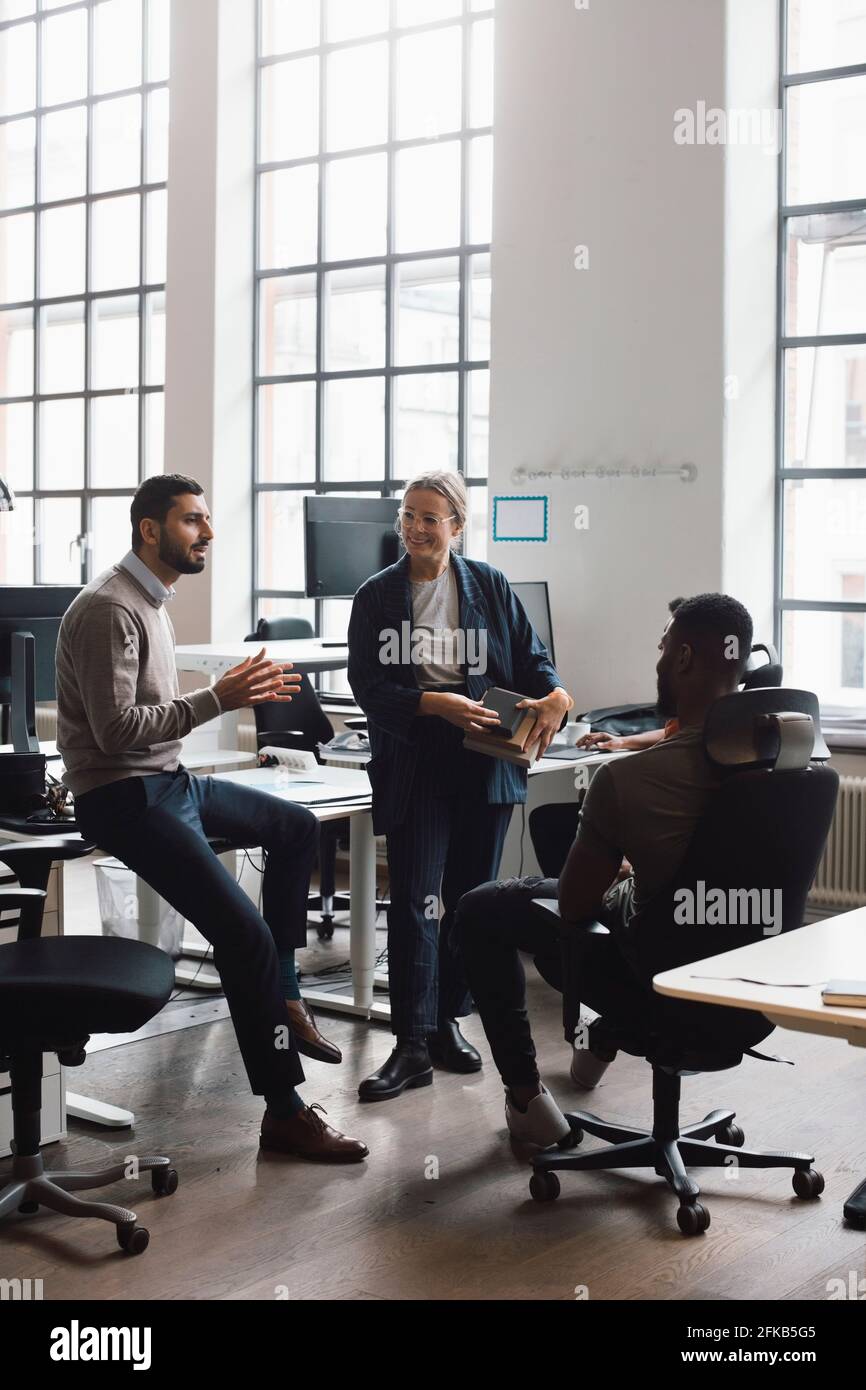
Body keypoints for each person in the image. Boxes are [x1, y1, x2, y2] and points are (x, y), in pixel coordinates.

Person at [56, 474, 367, 1163]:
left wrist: (217, 702)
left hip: (169, 782)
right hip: (125, 795)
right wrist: (218, 700)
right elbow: (114, 735)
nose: (209, 533)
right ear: (150, 529)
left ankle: (285, 995)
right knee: (244, 936)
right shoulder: (112, 607)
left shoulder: (150, 601)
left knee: (295, 827)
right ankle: (284, 1112)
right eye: (194, 520)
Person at [455, 593, 754, 1149]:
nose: (659, 659)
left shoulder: (627, 782)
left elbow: (572, 906)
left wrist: (617, 871)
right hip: (749, 997)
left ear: (685, 658)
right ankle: (601, 1035)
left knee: (482, 910)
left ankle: (528, 1101)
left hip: (662, 987)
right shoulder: (792, 765)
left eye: (664, 647)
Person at [347, 470, 573, 1101]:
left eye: (431, 518)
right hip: (419, 757)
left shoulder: (489, 586)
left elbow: (533, 657)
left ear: (457, 525)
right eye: (409, 516)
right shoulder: (377, 596)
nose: (417, 528)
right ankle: (411, 1043)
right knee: (418, 899)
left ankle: (446, 1022)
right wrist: (433, 704)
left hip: (486, 756)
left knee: (469, 905)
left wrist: (555, 692)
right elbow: (369, 687)